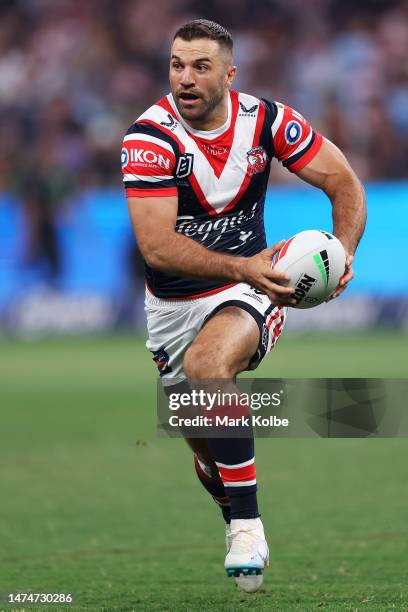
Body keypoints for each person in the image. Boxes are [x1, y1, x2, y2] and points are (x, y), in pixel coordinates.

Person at [121, 19, 366, 592]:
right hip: (173, 308)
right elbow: (156, 246)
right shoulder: (149, 140)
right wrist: (240, 265)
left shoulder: (269, 122)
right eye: (177, 64)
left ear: (229, 75)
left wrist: (342, 253)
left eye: (201, 66)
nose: (186, 77)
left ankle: (248, 526)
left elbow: (345, 183)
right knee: (206, 445)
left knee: (212, 368)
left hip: (252, 288)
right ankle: (227, 494)